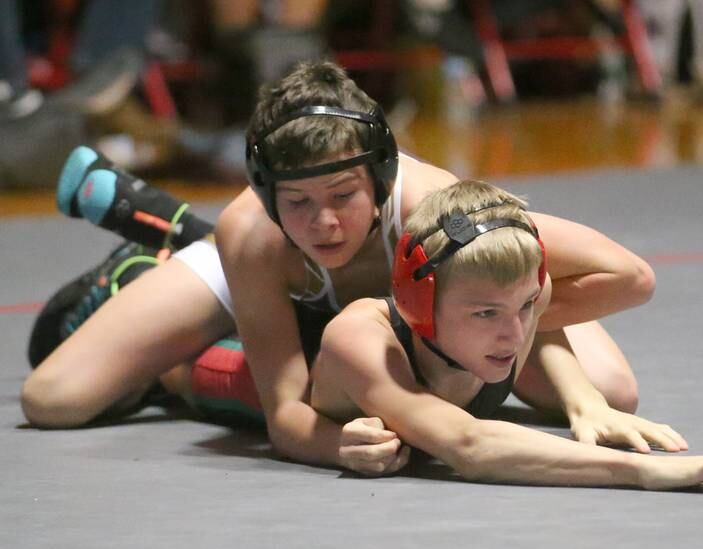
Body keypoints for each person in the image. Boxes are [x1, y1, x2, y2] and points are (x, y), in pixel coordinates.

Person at [23, 60, 656, 475]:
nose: (324, 223)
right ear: (270, 200)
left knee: (612, 390)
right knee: (55, 400)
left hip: (388, 321)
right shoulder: (253, 235)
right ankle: (143, 264)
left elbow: (626, 277)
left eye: (344, 197)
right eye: (297, 203)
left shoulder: (430, 210)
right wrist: (335, 447)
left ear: (380, 182)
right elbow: (288, 417)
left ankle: (164, 219)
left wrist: (557, 371)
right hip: (264, 282)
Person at [309, 179, 703, 488]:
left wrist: (584, 399)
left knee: (614, 396)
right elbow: (469, 445)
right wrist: (645, 470)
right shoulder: (361, 340)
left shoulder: (526, 305)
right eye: (484, 315)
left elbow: (540, 319)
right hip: (257, 379)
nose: (513, 333)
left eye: (524, 305)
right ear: (418, 307)